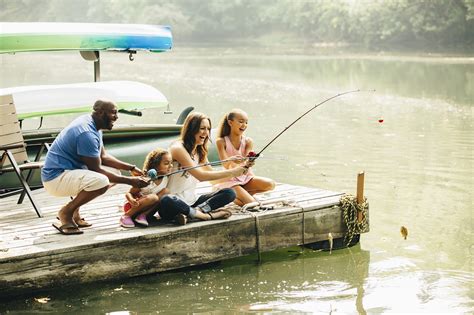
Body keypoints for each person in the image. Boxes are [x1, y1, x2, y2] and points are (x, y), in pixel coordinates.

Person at [41, 99, 148, 235]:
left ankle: (75, 212)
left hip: (68, 173)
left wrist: (131, 168)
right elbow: (96, 170)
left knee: (115, 173)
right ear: (100, 113)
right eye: (113, 113)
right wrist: (130, 181)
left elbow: (103, 157)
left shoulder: (93, 125)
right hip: (55, 179)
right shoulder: (86, 133)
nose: (116, 117)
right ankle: (66, 212)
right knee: (101, 181)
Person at [160, 112, 248, 221]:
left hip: (193, 202)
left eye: (208, 129)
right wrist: (233, 172)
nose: (206, 133)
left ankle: (194, 213)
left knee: (229, 193)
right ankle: (206, 215)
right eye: (202, 128)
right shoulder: (178, 148)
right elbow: (201, 176)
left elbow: (214, 180)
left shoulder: (199, 151)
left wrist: (243, 167)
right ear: (191, 129)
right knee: (166, 200)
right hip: (173, 204)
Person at [214, 108, 275, 206]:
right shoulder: (221, 141)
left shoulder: (248, 141)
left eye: (246, 122)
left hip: (246, 178)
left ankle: (241, 195)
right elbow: (225, 164)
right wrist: (232, 160)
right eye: (241, 122)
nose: (244, 125)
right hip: (230, 180)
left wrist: (250, 161)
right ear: (230, 122)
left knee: (270, 184)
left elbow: (247, 159)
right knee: (252, 204)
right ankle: (235, 196)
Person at [119, 148, 172, 228]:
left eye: (171, 163)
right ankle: (126, 216)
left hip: (146, 209)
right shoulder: (145, 180)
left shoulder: (165, 178)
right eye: (166, 163)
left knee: (166, 192)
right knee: (154, 197)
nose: (171, 166)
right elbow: (129, 193)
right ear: (155, 166)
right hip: (133, 207)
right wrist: (131, 200)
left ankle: (143, 216)